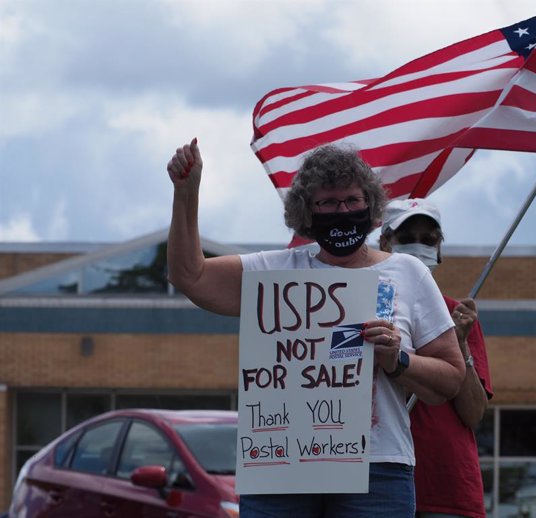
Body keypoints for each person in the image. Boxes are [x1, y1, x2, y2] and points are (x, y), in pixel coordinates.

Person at [165, 139, 466, 518]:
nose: (342, 211)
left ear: (371, 207)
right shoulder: (273, 272)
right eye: (328, 203)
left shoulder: (407, 273)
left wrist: (398, 359)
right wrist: (185, 195)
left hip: (377, 469)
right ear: (307, 212)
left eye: (352, 201)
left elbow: (451, 379)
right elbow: (189, 274)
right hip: (281, 465)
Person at [379, 198, 494, 518]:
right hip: (378, 487)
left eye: (429, 240)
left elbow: (473, 414)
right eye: (406, 238)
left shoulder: (457, 316)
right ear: (384, 243)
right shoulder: (364, 308)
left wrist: (459, 343)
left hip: (448, 489)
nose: (419, 247)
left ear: (440, 250)